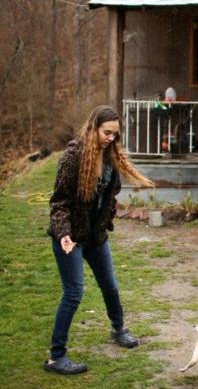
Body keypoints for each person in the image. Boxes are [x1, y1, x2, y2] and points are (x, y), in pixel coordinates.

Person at [44, 105, 154, 375]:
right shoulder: (73, 157)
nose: (111, 138)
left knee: (110, 285)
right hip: (70, 237)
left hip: (96, 237)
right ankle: (56, 357)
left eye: (115, 134)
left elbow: (109, 195)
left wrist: (106, 218)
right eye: (107, 133)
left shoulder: (110, 156)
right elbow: (59, 203)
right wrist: (64, 234)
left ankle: (119, 329)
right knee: (73, 293)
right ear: (93, 128)